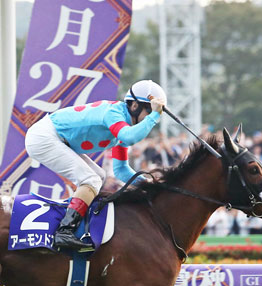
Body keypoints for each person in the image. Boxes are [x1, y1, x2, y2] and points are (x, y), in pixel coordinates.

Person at [24, 80, 167, 250]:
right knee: (90, 179)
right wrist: (155, 116)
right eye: (148, 111)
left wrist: (149, 185)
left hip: (55, 138)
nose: (149, 118)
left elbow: (120, 170)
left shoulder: (124, 127)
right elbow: (129, 137)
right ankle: (64, 231)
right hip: (43, 137)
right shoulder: (114, 113)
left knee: (99, 176)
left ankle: (74, 222)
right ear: (135, 105)